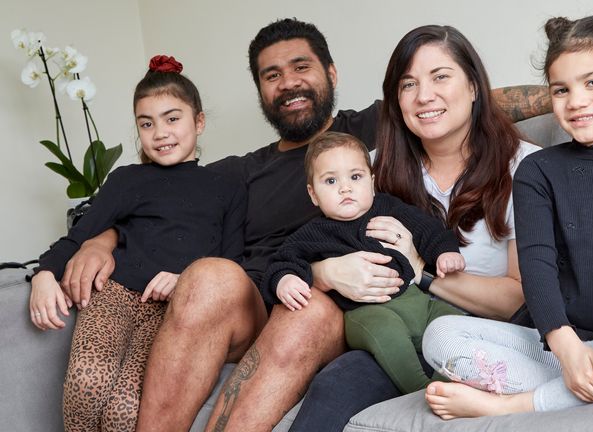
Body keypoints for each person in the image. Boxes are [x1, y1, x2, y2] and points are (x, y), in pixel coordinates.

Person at [58, 19, 552, 432]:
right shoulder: (246, 169)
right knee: (209, 275)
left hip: (340, 310)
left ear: (331, 73)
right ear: (260, 93)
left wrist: (578, 92)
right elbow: (164, 197)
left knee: (309, 316)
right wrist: (101, 237)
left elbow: (463, 104)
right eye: (271, 75)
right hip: (265, 296)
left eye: (301, 67)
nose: (288, 83)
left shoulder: (370, 140)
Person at [421, 4, 593, 419]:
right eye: (561, 90)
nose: (576, 101)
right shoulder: (538, 169)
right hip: (555, 347)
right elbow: (536, 267)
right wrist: (567, 348)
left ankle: (516, 404)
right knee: (439, 336)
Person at [288, 24, 541, 431]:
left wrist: (418, 269)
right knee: (333, 387)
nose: (424, 96)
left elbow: (520, 299)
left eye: (441, 76)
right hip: (395, 329)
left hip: (489, 336)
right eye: (408, 84)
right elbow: (316, 242)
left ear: (474, 87)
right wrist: (324, 273)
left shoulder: (527, 167)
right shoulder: (369, 169)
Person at [28, 55, 246, 431]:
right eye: (147, 123)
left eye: (172, 118)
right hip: (114, 295)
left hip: (173, 312)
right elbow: (79, 235)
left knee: (125, 409)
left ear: (199, 121)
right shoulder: (126, 179)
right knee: (85, 382)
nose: (160, 133)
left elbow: (231, 266)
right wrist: (44, 275)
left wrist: (186, 280)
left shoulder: (227, 187)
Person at [265, 131, 465, 393]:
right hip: (367, 313)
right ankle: (419, 388)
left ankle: (451, 381)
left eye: (355, 177)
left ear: (371, 183)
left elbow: (428, 229)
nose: (345, 188)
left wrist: (445, 252)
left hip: (418, 303)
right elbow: (282, 261)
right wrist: (285, 279)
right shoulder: (314, 233)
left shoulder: (388, 207)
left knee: (458, 323)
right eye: (331, 180)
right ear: (313, 195)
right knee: (386, 332)